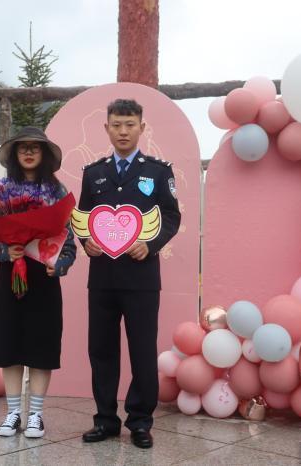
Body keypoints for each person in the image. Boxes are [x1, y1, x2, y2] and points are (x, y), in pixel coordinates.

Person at [78, 99, 181, 449]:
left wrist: (150, 245)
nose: (123, 131)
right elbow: (84, 217)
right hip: (102, 279)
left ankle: (139, 422)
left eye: (130, 124)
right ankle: (105, 420)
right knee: (101, 351)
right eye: (117, 125)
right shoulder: (93, 173)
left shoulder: (158, 171)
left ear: (142, 128)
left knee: (142, 351)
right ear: (106, 128)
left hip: (142, 279)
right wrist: (86, 242)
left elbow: (171, 217)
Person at [0, 126, 76, 439]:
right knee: (9, 344)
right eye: (23, 147)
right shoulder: (0, 191)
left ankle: (36, 415)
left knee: (40, 345)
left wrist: (60, 265)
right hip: (9, 275)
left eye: (36, 147)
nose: (29, 152)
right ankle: (12, 414)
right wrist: (6, 251)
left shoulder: (57, 192)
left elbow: (69, 240)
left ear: (44, 154)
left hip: (43, 278)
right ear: (14, 154)